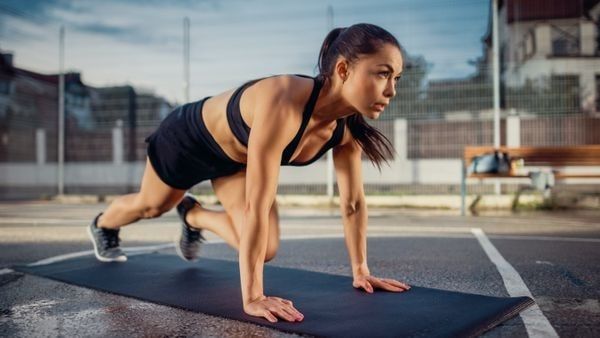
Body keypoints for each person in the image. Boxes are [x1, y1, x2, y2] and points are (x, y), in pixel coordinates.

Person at [87, 22, 411, 324]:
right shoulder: (283, 101)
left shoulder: (345, 132)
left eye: (396, 78)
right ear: (343, 69)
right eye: (383, 74)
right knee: (151, 206)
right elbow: (256, 205)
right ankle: (103, 225)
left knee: (265, 249)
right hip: (187, 140)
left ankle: (192, 216)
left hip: (234, 162)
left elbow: (352, 203)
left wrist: (361, 270)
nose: (391, 90)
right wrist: (253, 296)